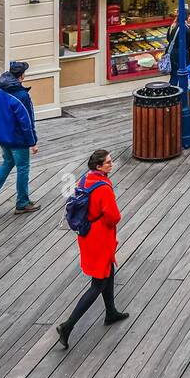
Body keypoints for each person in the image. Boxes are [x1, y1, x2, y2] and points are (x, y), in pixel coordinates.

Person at [56, 148, 128, 347]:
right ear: (99, 167)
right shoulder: (103, 188)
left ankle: (111, 311)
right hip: (100, 238)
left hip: (87, 235)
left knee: (108, 271)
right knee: (98, 284)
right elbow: (114, 217)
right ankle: (68, 325)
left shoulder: (85, 180)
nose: (111, 164)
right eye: (108, 162)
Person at [0, 60, 38, 214]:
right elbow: (26, 121)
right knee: (23, 168)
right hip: (17, 139)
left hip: (1, 136)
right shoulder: (21, 95)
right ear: (21, 76)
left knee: (7, 162)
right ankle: (22, 203)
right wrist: (32, 142)